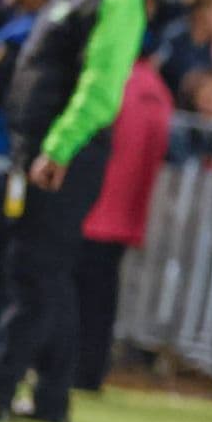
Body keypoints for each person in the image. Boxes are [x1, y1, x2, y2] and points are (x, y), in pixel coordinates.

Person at [0, 0, 144, 422]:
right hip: (37, 149)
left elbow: (100, 89)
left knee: (33, 272)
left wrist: (58, 148)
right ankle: (53, 396)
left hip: (64, 154)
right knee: (47, 273)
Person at [73, 44, 171, 392]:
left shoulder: (117, 83)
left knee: (78, 296)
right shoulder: (157, 92)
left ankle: (75, 370)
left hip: (95, 208)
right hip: (127, 215)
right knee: (103, 297)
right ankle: (91, 370)